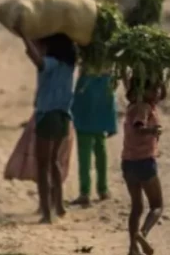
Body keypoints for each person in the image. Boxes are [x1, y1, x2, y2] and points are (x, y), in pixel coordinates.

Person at [24, 33, 76, 224]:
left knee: (42, 165)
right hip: (63, 117)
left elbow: (37, 60)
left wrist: (23, 35)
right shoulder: (69, 66)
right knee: (54, 162)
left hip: (48, 117)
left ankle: (46, 213)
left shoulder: (51, 63)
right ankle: (59, 206)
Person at [121, 79, 164, 255]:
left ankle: (133, 248)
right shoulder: (143, 108)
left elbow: (163, 94)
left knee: (136, 207)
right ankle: (142, 233)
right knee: (157, 205)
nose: (157, 93)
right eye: (154, 90)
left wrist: (159, 79)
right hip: (144, 162)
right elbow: (139, 127)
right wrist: (152, 131)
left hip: (128, 162)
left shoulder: (132, 107)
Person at [70, 70, 117, 207]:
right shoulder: (106, 78)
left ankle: (85, 193)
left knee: (85, 157)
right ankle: (102, 189)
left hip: (84, 121)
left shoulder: (85, 79)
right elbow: (110, 102)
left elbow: (76, 100)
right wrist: (111, 125)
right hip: (99, 122)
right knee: (100, 153)